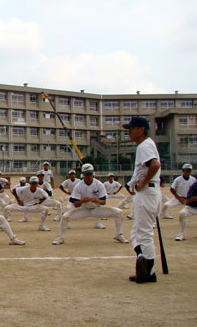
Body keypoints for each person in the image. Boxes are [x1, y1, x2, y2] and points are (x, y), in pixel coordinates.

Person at [124, 117, 162, 284]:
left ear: (141, 130)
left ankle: (150, 272)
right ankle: (142, 259)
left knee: (145, 234)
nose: (129, 131)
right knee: (136, 233)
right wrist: (134, 183)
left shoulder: (144, 145)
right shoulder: (146, 144)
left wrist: (142, 183)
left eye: (132, 128)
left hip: (147, 192)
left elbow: (154, 165)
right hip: (148, 192)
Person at [52, 163, 129, 245]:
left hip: (97, 209)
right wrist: (82, 201)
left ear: (93, 173)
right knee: (65, 217)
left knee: (118, 212)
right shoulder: (79, 186)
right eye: (87, 174)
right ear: (83, 174)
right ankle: (61, 237)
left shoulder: (99, 184)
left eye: (90, 174)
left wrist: (97, 201)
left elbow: (103, 201)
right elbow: (76, 204)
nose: (89, 176)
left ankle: (119, 234)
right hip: (84, 209)